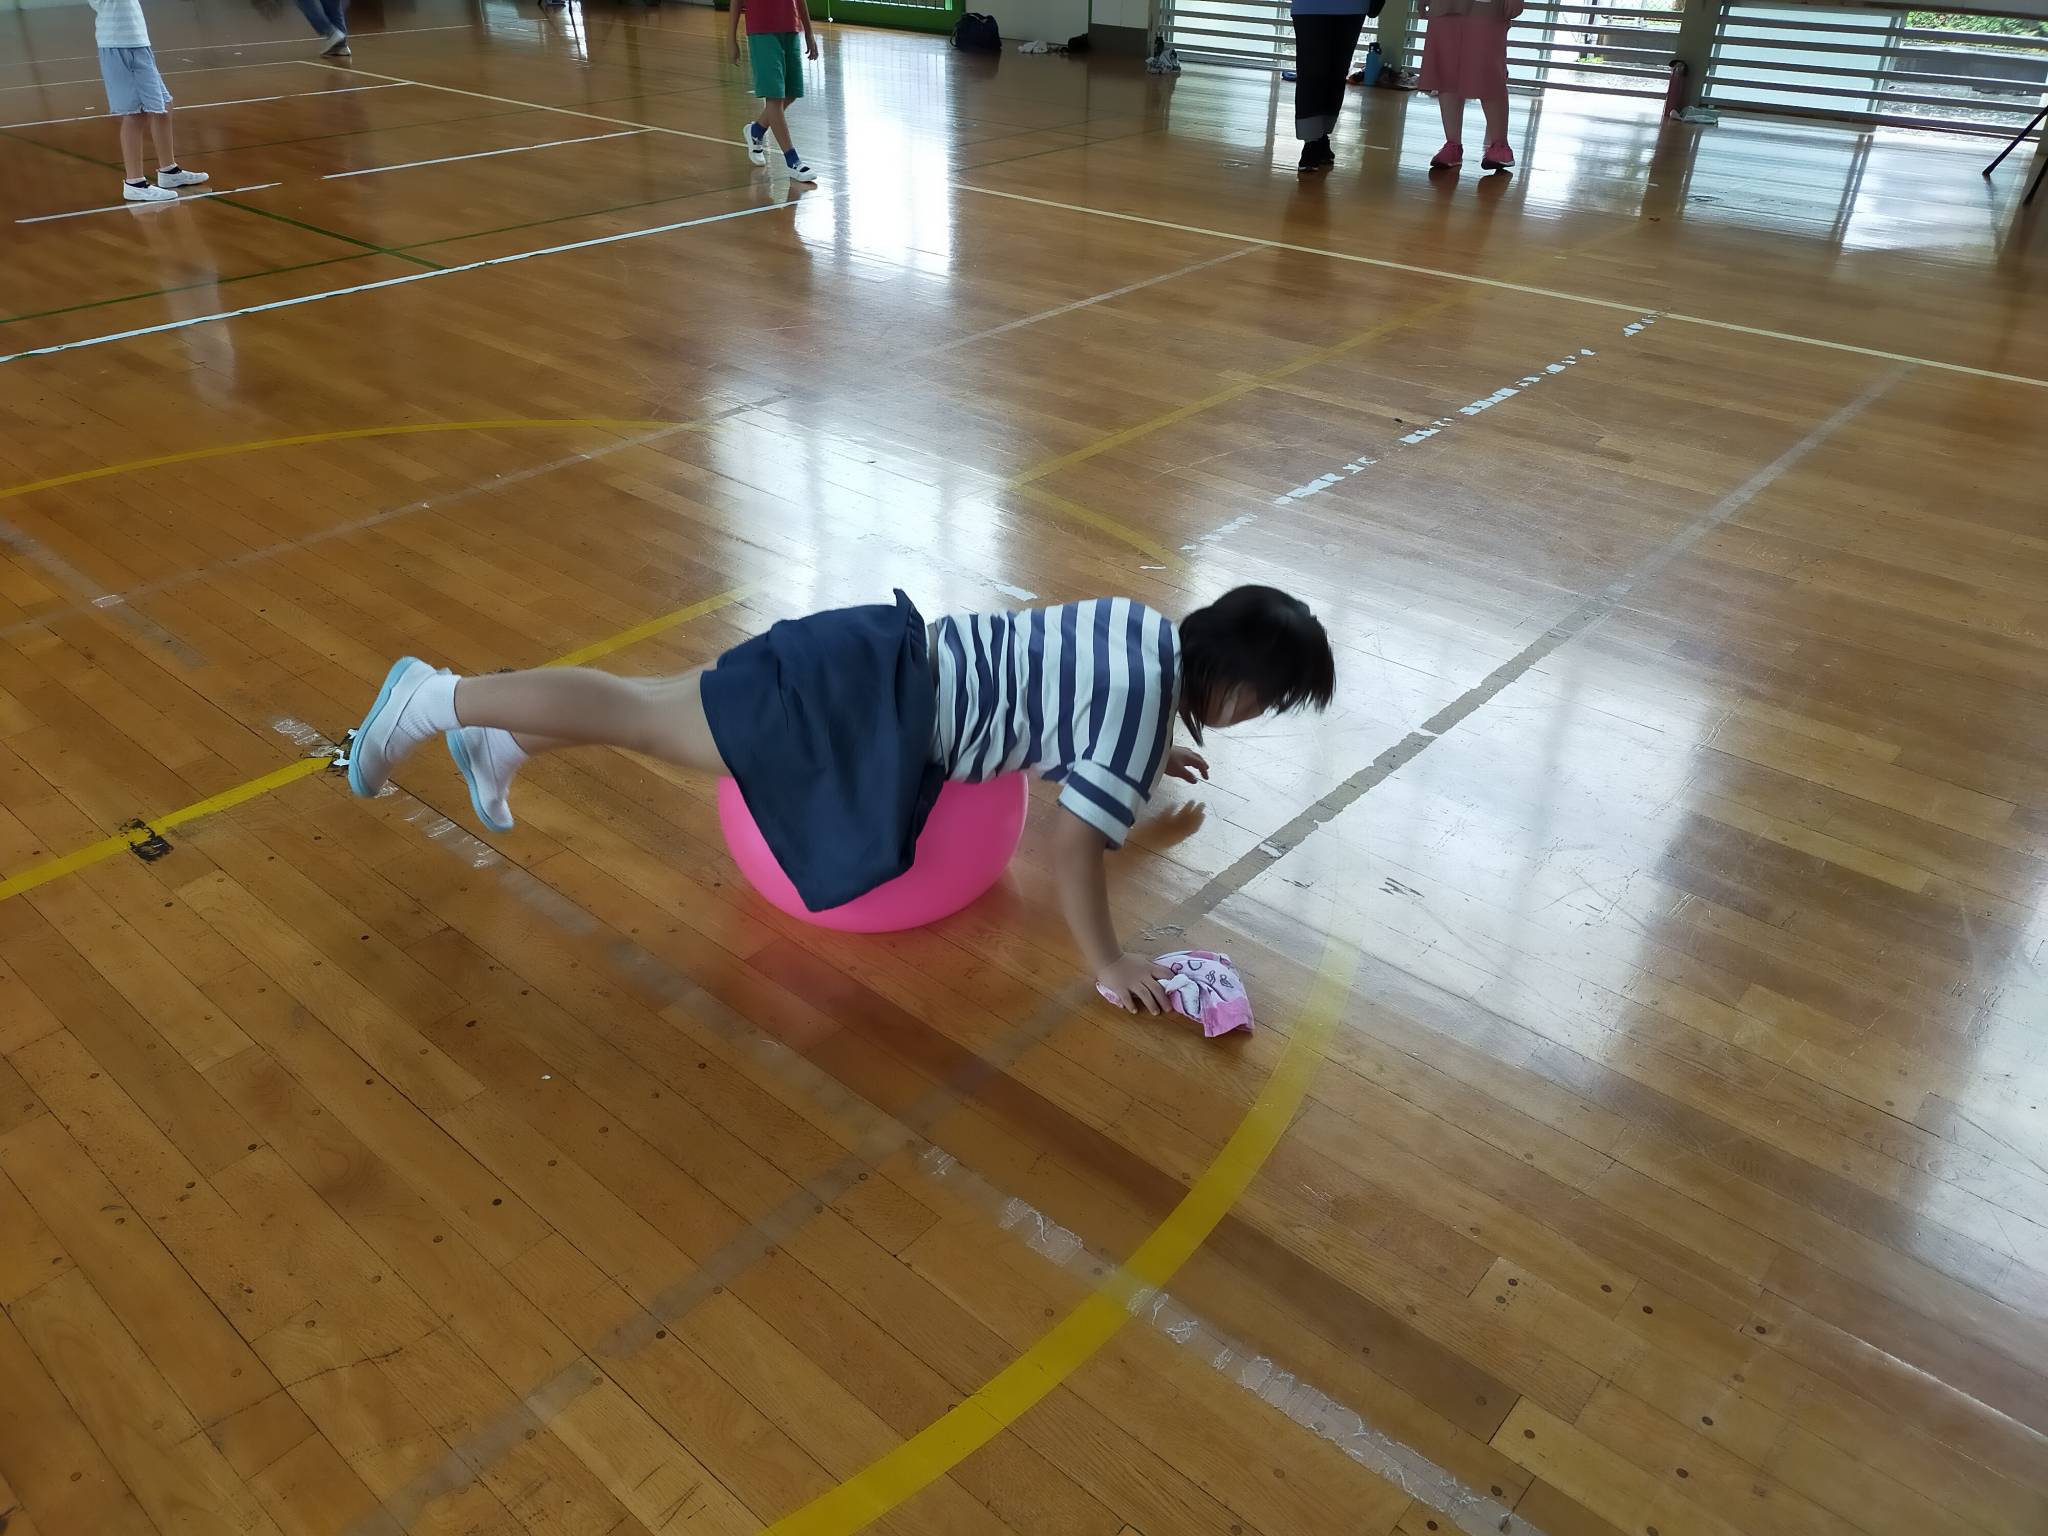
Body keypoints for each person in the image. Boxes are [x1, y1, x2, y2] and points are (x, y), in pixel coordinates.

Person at [344, 587, 1336, 1015]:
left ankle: (497, 741)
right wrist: (1109, 962)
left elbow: (1059, 691)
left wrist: (1143, 752)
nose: (1258, 716)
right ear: (1241, 685)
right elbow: (1075, 846)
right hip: (861, 715)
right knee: (638, 715)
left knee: (650, 704)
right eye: (1270, 701)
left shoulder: (1140, 630)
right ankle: (434, 699)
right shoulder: (1133, 708)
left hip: (872, 658)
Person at [89, 0, 209, 203]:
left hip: (138, 43)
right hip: (118, 45)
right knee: (136, 114)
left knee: (164, 106)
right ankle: (134, 184)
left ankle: (169, 172)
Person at [1418, 0, 1522, 172]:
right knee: (1446, 68)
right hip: (1444, 6)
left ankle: (1500, 145)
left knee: (1488, 71)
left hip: (1486, 5)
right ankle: (1453, 144)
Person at [1289, 0, 1382, 173]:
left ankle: (1321, 135)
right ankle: (1311, 141)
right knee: (1311, 71)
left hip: (1353, 6)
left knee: (1337, 72)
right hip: (1310, 6)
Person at [732, 0, 819, 184]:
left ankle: (756, 130)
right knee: (774, 98)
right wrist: (731, 38)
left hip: (790, 27)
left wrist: (809, 32)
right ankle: (792, 161)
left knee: (791, 92)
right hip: (762, 31)